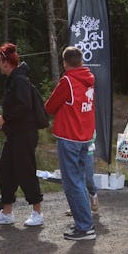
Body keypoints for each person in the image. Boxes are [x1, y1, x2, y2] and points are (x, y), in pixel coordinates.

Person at [45, 46, 97, 241]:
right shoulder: (90, 79)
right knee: (79, 181)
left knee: (72, 183)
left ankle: (85, 226)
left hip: (69, 136)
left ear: (65, 63)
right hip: (85, 136)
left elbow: (50, 106)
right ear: (81, 61)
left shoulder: (67, 80)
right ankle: (84, 223)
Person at [0, 43, 45, 227]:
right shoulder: (14, 79)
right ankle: (7, 213)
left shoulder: (19, 80)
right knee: (5, 171)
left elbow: (23, 106)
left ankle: (37, 212)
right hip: (15, 134)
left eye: (0, 62)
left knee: (26, 171)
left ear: (6, 63)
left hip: (25, 134)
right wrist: (4, 123)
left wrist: (4, 118)